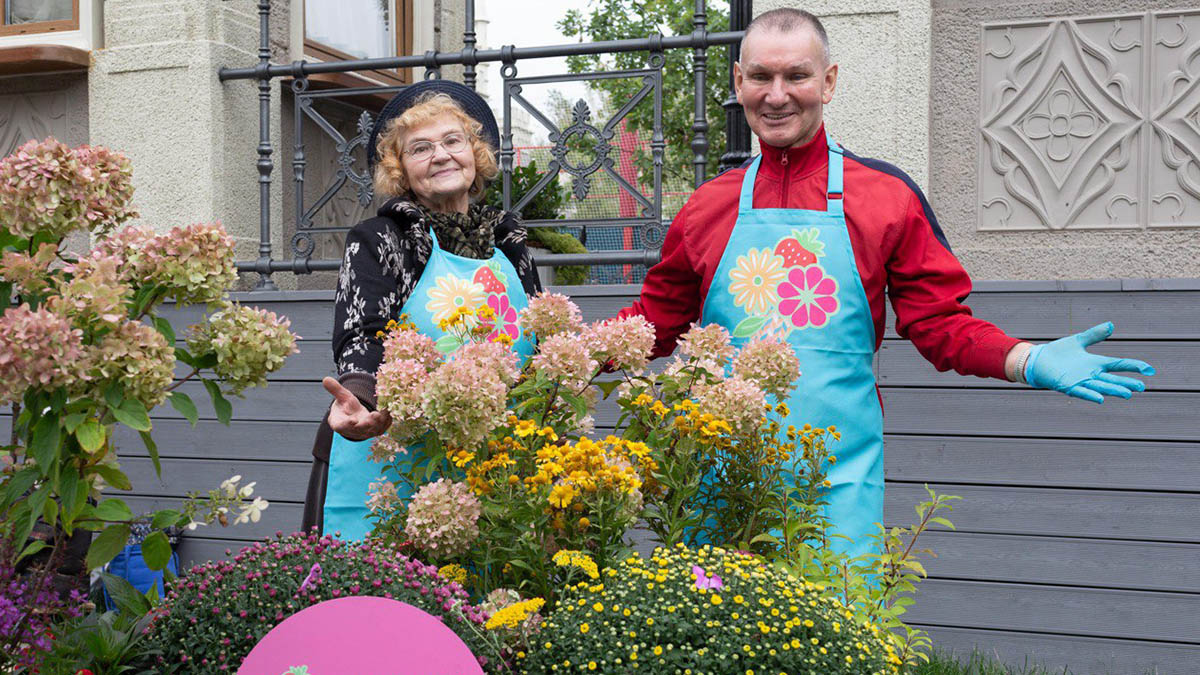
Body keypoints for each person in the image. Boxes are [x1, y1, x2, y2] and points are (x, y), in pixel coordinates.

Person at [618, 8, 1155, 558]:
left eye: (797, 76)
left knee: (833, 633)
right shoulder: (708, 205)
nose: (777, 95)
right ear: (738, 82)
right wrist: (559, 349)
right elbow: (653, 324)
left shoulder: (885, 196)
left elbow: (940, 324)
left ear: (828, 82)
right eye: (761, 77)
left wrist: (1027, 359)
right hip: (716, 479)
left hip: (834, 483)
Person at [302, 80, 543, 541]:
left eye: (453, 141)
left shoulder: (510, 243)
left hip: (499, 462)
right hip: (397, 455)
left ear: (476, 153)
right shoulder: (382, 239)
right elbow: (363, 333)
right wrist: (361, 398)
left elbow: (539, 334)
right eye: (420, 148)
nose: (441, 155)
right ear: (401, 170)